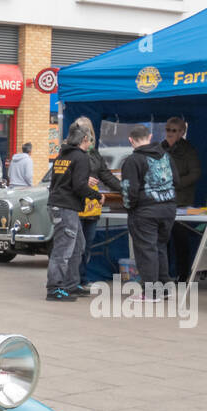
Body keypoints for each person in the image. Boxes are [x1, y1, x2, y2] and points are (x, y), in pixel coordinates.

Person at [120, 124, 177, 297]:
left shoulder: (132, 160)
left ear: (131, 140)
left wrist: (129, 208)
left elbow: (129, 190)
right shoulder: (166, 156)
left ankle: (151, 292)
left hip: (145, 211)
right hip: (168, 208)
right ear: (150, 137)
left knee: (146, 250)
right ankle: (165, 287)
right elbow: (178, 181)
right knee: (160, 247)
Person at [46, 126, 100, 301]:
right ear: (85, 139)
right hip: (65, 207)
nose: (91, 143)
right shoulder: (81, 157)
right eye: (90, 139)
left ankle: (71, 284)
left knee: (78, 244)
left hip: (59, 205)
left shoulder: (62, 155)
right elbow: (79, 185)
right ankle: (54, 289)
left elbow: (55, 182)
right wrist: (96, 196)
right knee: (63, 250)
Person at [70, 117, 122, 288]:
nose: (85, 134)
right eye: (80, 129)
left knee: (87, 245)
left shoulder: (94, 154)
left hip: (92, 207)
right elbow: (63, 178)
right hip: (73, 206)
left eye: (87, 130)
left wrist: (125, 189)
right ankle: (71, 281)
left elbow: (105, 175)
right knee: (75, 246)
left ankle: (82, 279)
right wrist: (84, 180)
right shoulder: (69, 152)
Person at [160, 117, 201, 279]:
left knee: (180, 240)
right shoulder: (160, 148)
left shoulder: (188, 150)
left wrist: (174, 183)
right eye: (168, 129)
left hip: (181, 202)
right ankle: (164, 275)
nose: (169, 133)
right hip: (161, 201)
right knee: (162, 241)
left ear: (182, 132)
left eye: (174, 130)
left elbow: (195, 173)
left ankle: (183, 275)